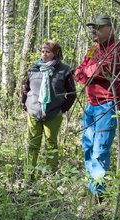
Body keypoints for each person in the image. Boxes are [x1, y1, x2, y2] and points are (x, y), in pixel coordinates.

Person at [74, 14, 120, 199]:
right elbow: (78, 73)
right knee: (88, 147)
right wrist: (91, 71)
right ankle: (93, 188)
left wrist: (91, 71)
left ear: (110, 29)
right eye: (92, 27)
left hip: (108, 105)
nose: (94, 31)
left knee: (100, 151)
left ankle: (98, 195)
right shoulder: (92, 49)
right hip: (91, 105)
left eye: (98, 27)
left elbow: (104, 69)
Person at [21, 40, 77, 177]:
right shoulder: (34, 68)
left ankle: (50, 176)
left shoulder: (64, 71)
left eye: (48, 52)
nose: (44, 54)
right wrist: (25, 104)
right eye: (42, 51)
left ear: (56, 54)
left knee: (51, 145)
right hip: (34, 111)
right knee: (33, 144)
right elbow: (25, 89)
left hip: (53, 113)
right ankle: (30, 174)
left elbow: (71, 94)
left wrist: (62, 109)